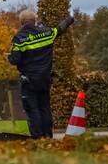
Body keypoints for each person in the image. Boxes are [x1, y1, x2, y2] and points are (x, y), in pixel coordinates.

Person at [7, 9, 74, 139]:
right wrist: (69, 19)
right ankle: (48, 137)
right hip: (45, 79)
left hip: (29, 80)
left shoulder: (19, 38)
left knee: (33, 109)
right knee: (45, 108)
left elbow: (14, 60)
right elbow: (60, 29)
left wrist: (9, 56)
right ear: (35, 20)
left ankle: (38, 139)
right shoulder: (47, 33)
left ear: (21, 22)